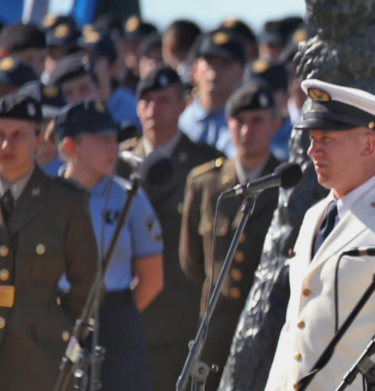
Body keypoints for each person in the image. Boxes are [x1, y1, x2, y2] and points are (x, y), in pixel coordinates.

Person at [266, 80, 375, 391]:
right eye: (311, 138)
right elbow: (294, 329)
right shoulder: (314, 217)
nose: (312, 150)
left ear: (368, 145)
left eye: (326, 139)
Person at [0, 92, 98, 391]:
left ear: (39, 139)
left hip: (38, 349)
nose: (7, 145)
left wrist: (59, 326)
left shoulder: (65, 202)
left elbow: (86, 280)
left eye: (19, 135)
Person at [121, 66, 223, 391]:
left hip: (179, 318)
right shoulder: (116, 162)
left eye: (164, 100)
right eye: (146, 101)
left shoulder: (205, 165)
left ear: (183, 105)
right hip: (125, 315)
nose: (153, 109)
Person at [180, 82, 281, 391]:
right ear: (228, 123)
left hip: (270, 323)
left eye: (257, 121)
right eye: (239, 121)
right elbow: (192, 261)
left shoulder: (288, 182)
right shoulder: (205, 183)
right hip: (217, 325)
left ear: (275, 124)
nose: (247, 130)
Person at [57, 99, 163, 391]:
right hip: (57, 319)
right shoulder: (48, 199)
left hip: (116, 322)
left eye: (115, 139)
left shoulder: (130, 196)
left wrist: (116, 315)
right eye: (102, 140)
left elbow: (152, 277)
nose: (113, 148)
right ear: (70, 146)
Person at [179, 30, 246, 152]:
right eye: (209, 62)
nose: (215, 71)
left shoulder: (247, 125)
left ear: (241, 72)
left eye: (225, 63)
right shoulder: (180, 121)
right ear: (195, 69)